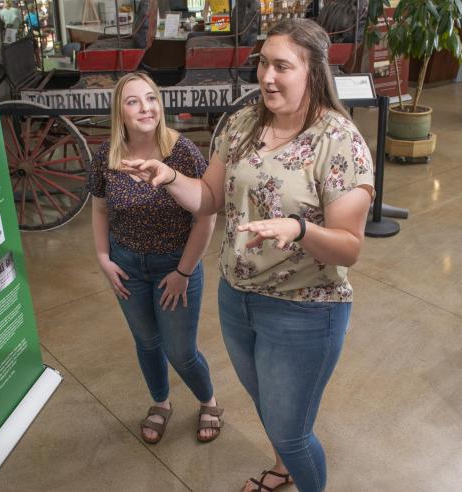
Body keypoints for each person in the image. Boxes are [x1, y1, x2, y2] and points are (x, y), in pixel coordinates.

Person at [122, 19, 374, 492]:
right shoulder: (240, 124)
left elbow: (350, 247)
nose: (267, 77)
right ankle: (281, 472)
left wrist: (299, 228)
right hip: (237, 299)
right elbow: (210, 199)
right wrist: (170, 177)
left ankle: (294, 468)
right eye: (263, 63)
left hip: (304, 309)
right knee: (266, 405)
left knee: (291, 432)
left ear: (313, 72)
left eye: (282, 66)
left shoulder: (339, 142)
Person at [88, 72, 223, 445]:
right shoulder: (106, 156)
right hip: (126, 265)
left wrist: (184, 271)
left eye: (151, 98)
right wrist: (103, 256)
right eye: (133, 101)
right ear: (120, 111)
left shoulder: (182, 153)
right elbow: (100, 211)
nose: (145, 108)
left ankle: (208, 401)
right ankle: (161, 404)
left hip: (174, 265)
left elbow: (206, 217)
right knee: (146, 342)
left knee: (180, 350)